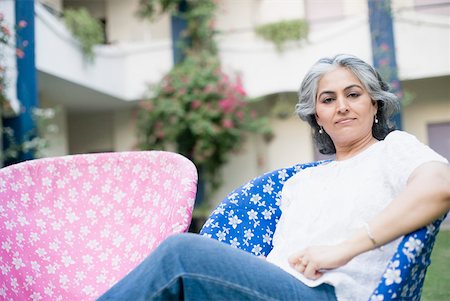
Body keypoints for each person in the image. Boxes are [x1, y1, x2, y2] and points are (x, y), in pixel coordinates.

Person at [97, 54, 450, 301]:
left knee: (180, 253)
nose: (342, 106)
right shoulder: (299, 184)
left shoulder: (393, 150)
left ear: (374, 104)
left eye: (353, 94)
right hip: (270, 288)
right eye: (328, 100)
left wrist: (343, 249)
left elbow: (440, 186)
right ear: (318, 118)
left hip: (329, 294)